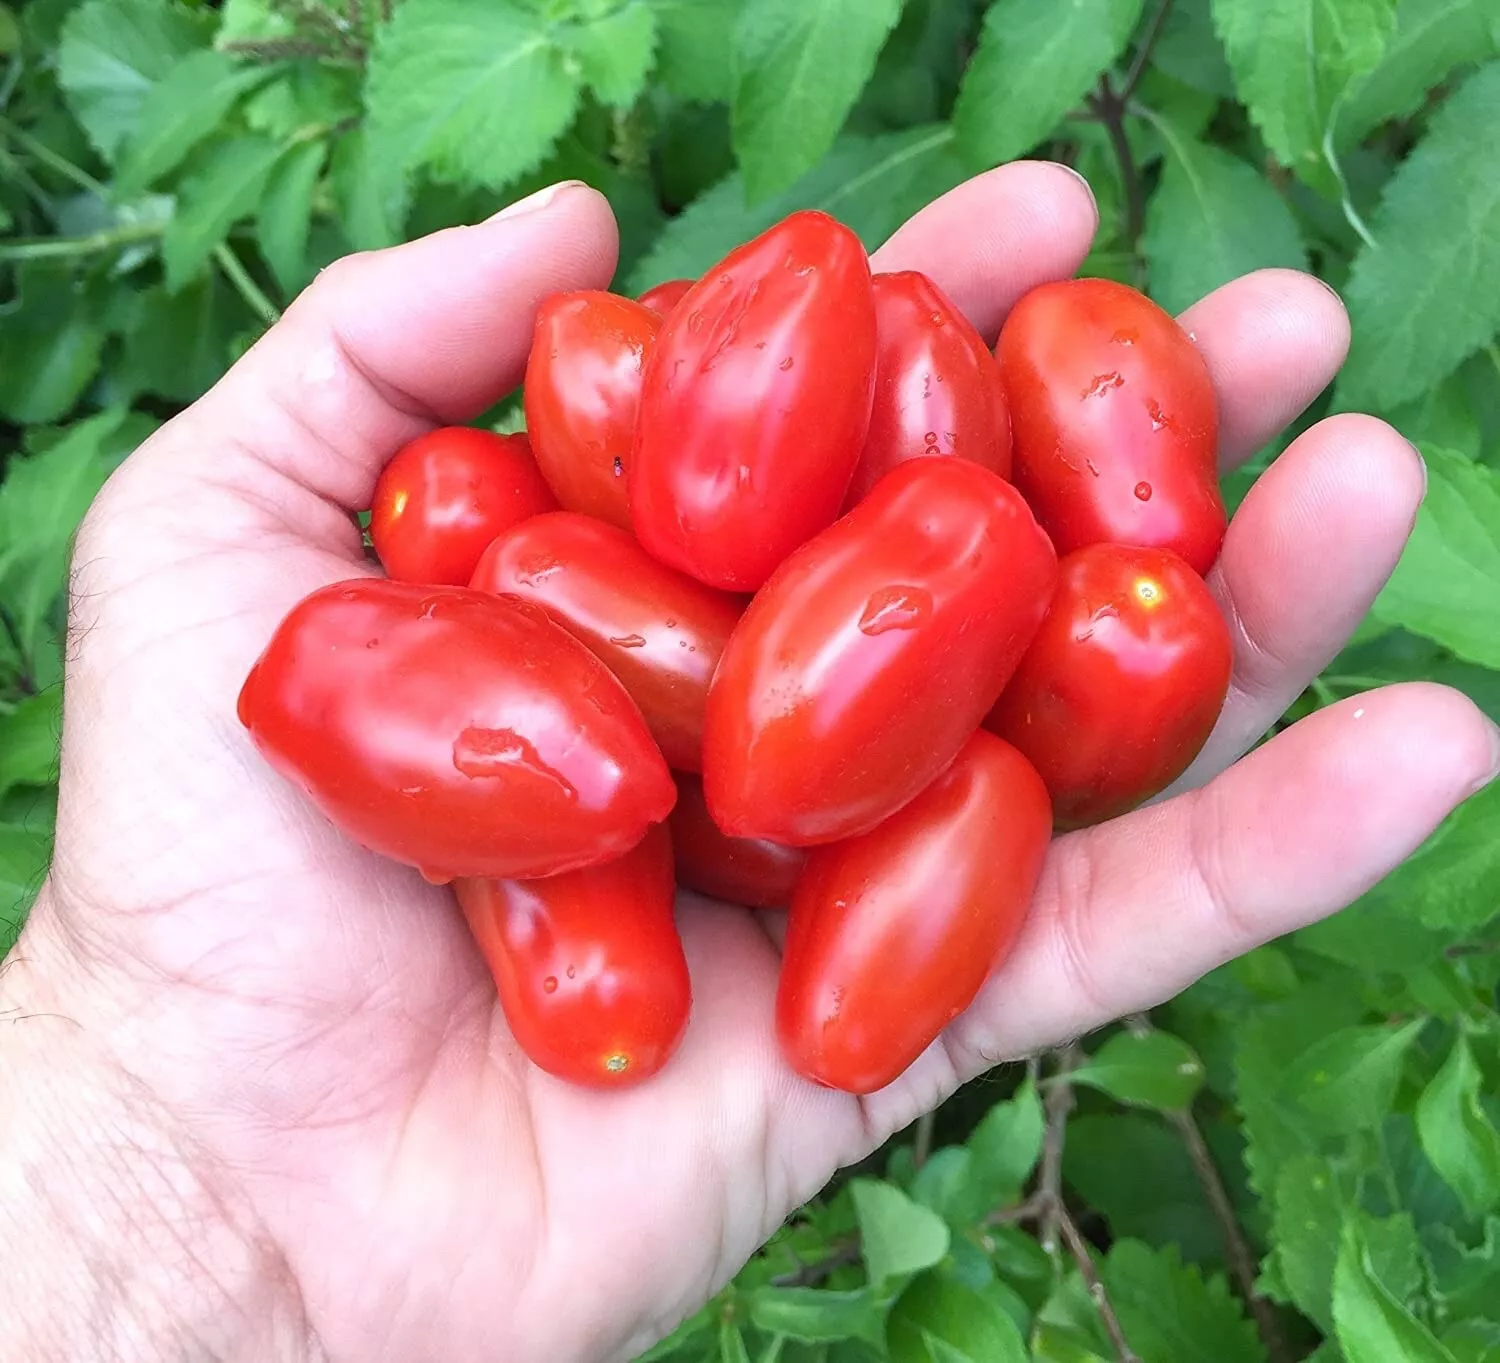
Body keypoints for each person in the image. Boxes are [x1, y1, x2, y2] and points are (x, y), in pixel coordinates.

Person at [0, 166, 1494, 1363]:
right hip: (745, 710)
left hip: (787, 706)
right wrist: (151, 1135)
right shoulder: (677, 641)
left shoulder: (884, 611)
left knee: (1022, 687)